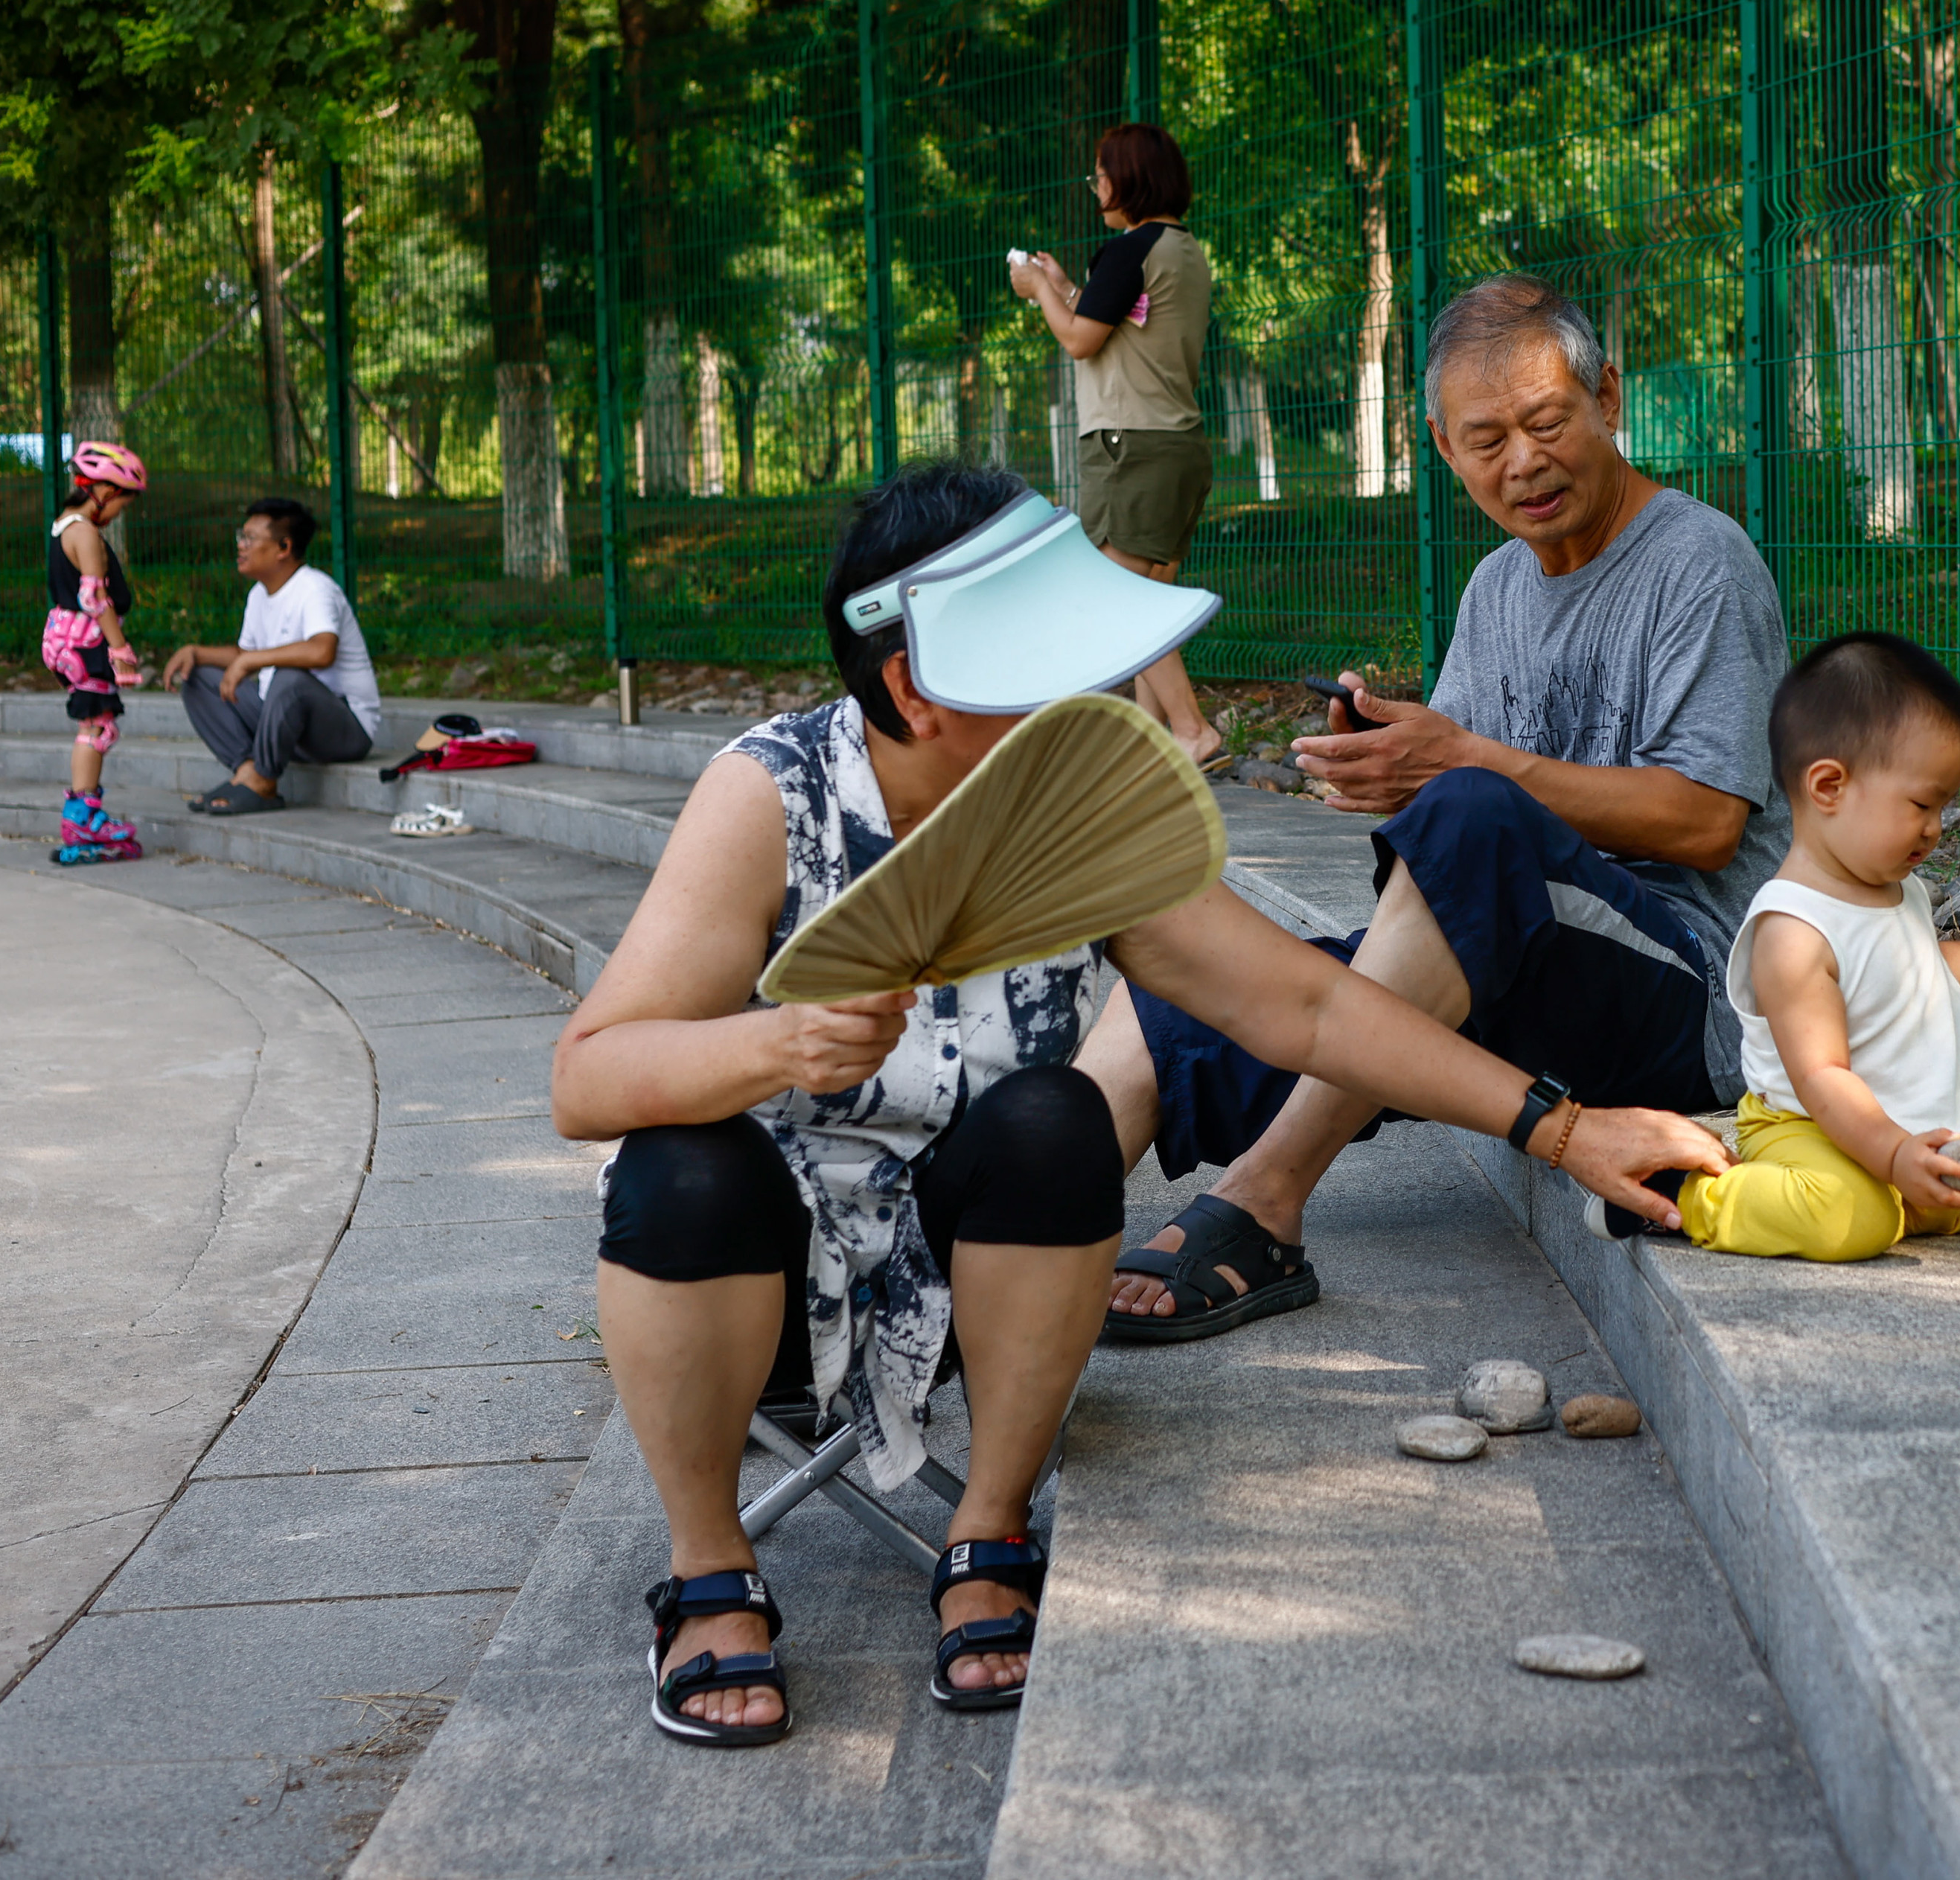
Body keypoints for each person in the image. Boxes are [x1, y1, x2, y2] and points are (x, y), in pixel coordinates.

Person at [549, 460, 1723, 1746]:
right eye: (1057, 668)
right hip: (751, 1303)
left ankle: (989, 1525)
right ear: (913, 687)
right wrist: (774, 1043)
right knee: (678, 1159)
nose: (1100, 699)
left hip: (965, 1300)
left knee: (1052, 1117)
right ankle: (710, 1567)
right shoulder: (767, 796)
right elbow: (589, 1079)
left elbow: (1311, 1010)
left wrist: (1562, 1127)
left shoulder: (1069, 817)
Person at [1088, 273, 1793, 1341]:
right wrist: (1399, 768)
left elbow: (1702, 825)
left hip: (1687, 991)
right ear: (1438, 443)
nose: (1522, 461)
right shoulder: (1494, 590)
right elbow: (1460, 846)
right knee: (1183, 993)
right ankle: (996, 1271)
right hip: (1526, 969)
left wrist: (1458, 764)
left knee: (1468, 811)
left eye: (1548, 421)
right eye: (1485, 438)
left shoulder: (1698, 560)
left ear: (1608, 396)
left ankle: (1264, 1197)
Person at [1590, 631, 1960, 1258]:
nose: (1934, 827)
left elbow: (1921, 977)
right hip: (1812, 1125)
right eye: (1922, 803)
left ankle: (1911, 1199)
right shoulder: (1792, 930)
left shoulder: (1897, 887)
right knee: (1848, 1219)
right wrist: (1890, 1153)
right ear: (1829, 786)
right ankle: (1682, 1196)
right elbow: (1821, 1074)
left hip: (1926, 1117)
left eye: (1942, 805)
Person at [1007, 121, 1225, 771]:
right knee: (1147, 602)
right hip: (1177, 444)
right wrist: (1069, 286)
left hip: (1127, 443)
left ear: (1127, 180)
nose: (1095, 189)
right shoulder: (1180, 250)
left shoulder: (1129, 251)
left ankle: (1192, 732)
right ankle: (1151, 746)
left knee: (1119, 601)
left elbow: (1079, 339)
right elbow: (1120, 323)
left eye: (1100, 176)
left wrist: (1040, 290)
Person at [160, 497, 383, 816]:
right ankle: (248, 770)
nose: (240, 545)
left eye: (249, 538)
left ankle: (264, 781)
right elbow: (244, 653)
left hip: (344, 729)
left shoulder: (315, 589)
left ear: (283, 547)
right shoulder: (259, 594)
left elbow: (322, 651)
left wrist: (250, 661)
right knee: (198, 677)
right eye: (241, 536)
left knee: (288, 677)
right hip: (284, 718)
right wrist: (195, 652)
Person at [39, 442, 148, 865]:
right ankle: (83, 818)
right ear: (102, 489)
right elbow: (94, 596)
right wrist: (120, 647)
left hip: (67, 637)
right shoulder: (83, 531)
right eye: (122, 501)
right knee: (96, 728)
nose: (120, 511)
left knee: (95, 724)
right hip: (86, 641)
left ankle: (84, 817)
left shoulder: (63, 524)